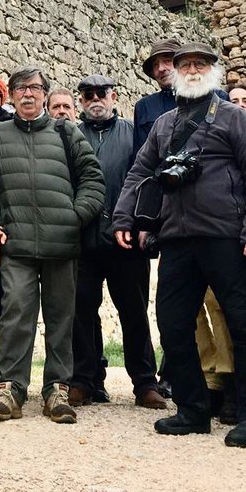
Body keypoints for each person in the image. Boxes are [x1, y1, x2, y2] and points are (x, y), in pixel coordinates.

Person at [113, 42, 246, 447]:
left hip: (226, 236)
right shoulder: (164, 124)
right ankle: (192, 409)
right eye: (184, 64)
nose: (191, 69)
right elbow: (139, 172)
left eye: (199, 63)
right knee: (171, 324)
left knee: (245, 324)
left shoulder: (234, 117)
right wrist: (123, 217)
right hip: (177, 239)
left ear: (212, 71)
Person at [0, 66, 105, 424]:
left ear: (45, 94)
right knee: (15, 313)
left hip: (62, 244)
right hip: (15, 244)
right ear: (12, 95)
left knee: (62, 318)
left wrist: (73, 216)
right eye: (20, 88)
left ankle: (56, 390)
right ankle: (11, 390)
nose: (28, 94)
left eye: (35, 88)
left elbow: (93, 180)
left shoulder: (67, 133)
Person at [68, 74, 165, 410]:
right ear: (81, 101)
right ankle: (85, 379)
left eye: (101, 93)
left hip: (125, 240)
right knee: (81, 311)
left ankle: (144, 383)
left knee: (134, 311)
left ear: (114, 96)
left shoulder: (132, 132)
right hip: (82, 239)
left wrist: (142, 224)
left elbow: (146, 179)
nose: (95, 99)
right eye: (88, 94)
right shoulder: (70, 135)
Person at [133, 37, 181, 154]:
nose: (160, 68)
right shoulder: (144, 106)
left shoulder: (213, 98)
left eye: (167, 61)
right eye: (155, 65)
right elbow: (139, 155)